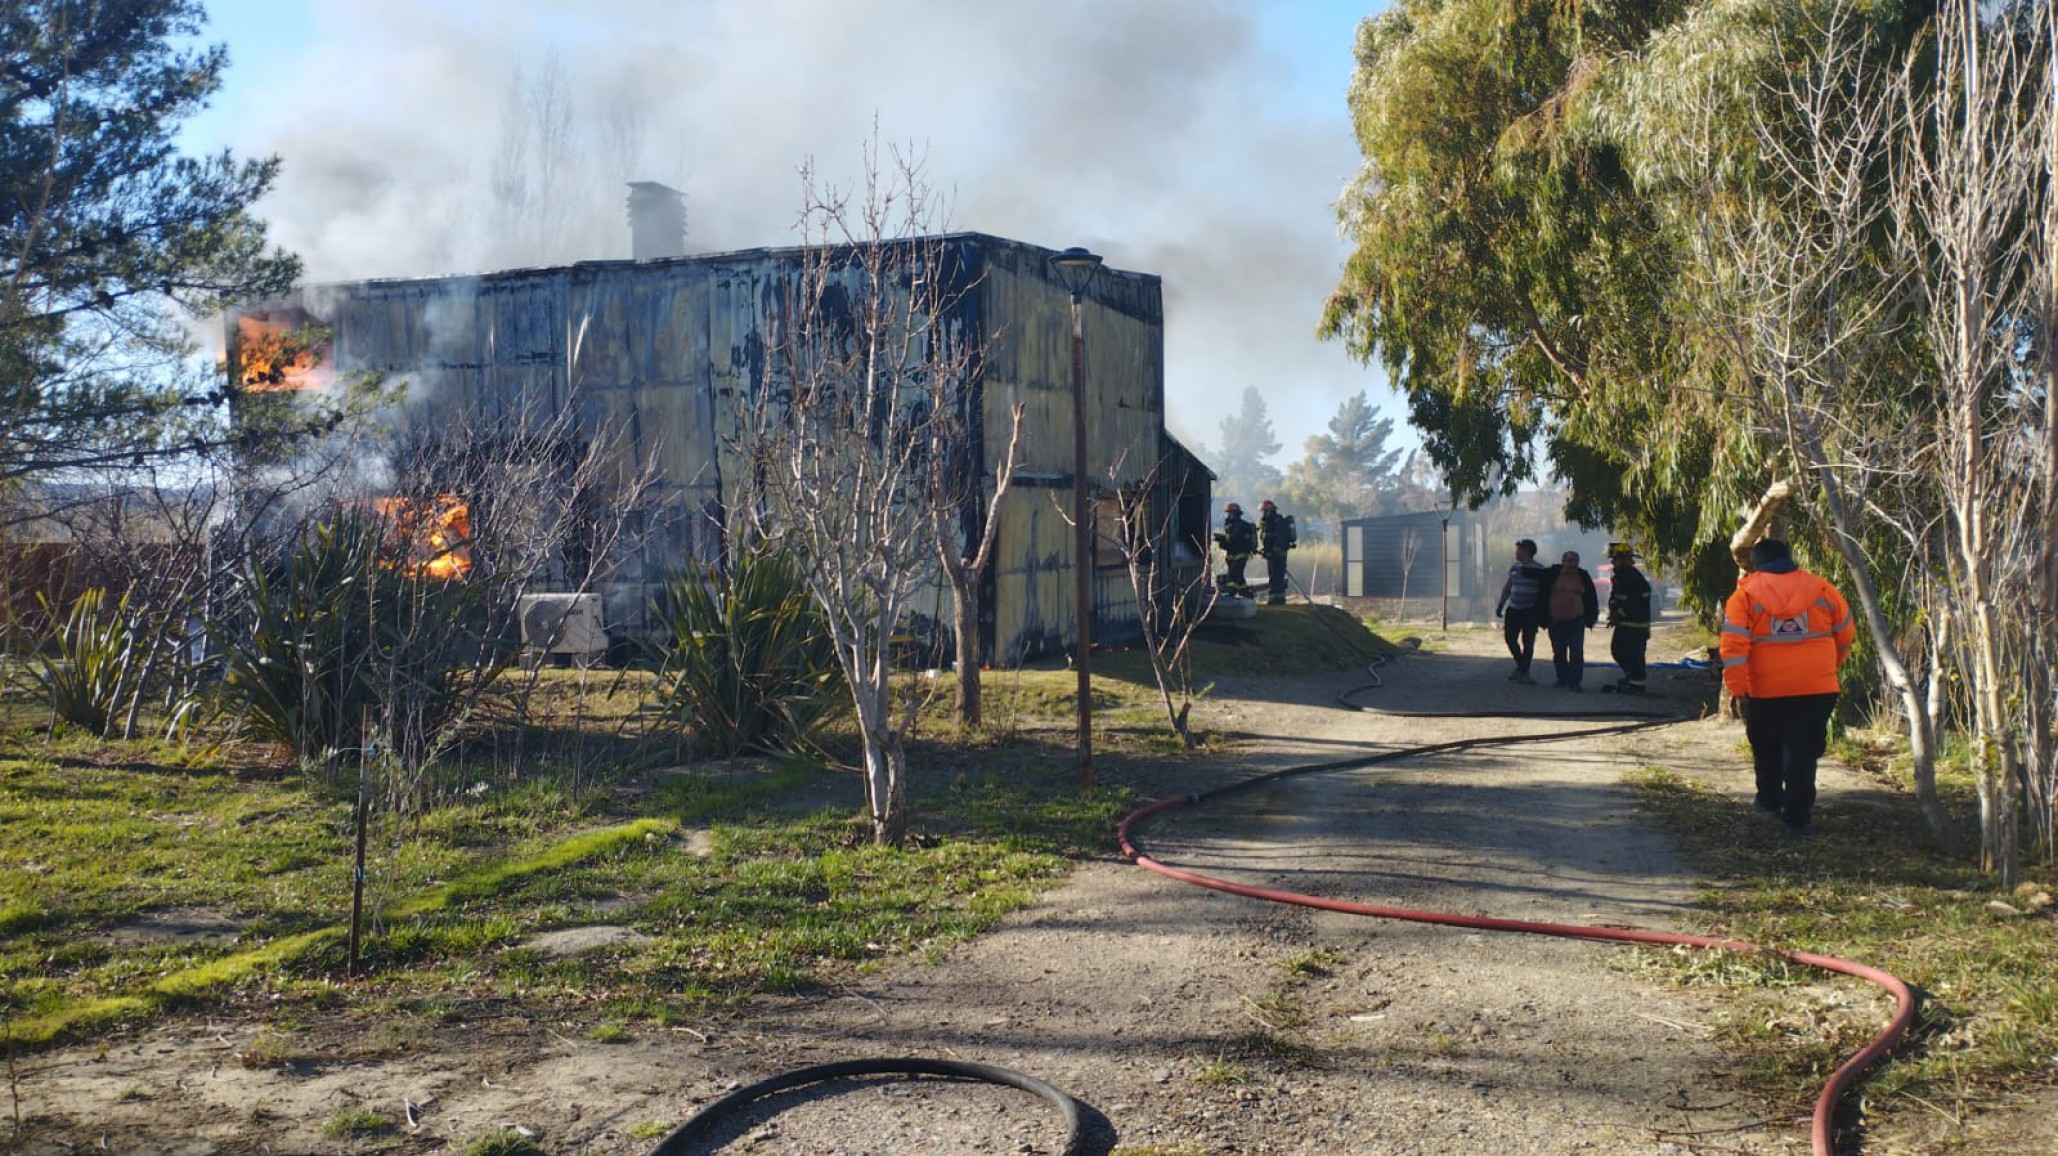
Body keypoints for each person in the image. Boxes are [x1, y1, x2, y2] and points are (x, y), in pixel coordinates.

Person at [1721, 538, 1855, 836]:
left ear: (1755, 564)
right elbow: (1845, 633)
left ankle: (1769, 801)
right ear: (1790, 557)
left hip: (1766, 690)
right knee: (1803, 752)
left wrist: (1737, 687)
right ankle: (1798, 817)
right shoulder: (1822, 588)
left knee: (1766, 746)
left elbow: (1733, 646)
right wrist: (1828, 669)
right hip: (1817, 688)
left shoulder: (1745, 595)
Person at [1494, 538, 1551, 683]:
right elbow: (1508, 587)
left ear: (1526, 551)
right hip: (1513, 609)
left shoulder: (1539, 569)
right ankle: (1522, 667)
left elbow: (1544, 591)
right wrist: (1501, 604)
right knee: (1510, 639)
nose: (1516, 552)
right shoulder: (1514, 567)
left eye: (1519, 550)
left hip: (1530, 611)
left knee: (1528, 642)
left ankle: (1523, 672)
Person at [1543, 550, 1599, 691]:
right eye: (1568, 560)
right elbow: (1538, 580)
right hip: (1556, 620)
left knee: (1576, 653)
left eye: (1574, 561)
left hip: (1576, 621)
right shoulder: (1553, 574)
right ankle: (1562, 678)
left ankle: (1575, 682)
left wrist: (1591, 618)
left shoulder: (1582, 576)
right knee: (1559, 652)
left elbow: (1591, 598)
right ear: (1563, 561)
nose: (1571, 564)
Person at [1602, 543, 1653, 695]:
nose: (1612, 563)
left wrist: (1619, 614)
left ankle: (1637, 684)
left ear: (1624, 559)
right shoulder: (1621, 576)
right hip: (1626, 623)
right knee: (1618, 650)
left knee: (1632, 654)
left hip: (1635, 625)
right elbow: (1617, 598)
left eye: (1615, 559)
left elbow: (1632, 602)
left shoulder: (1630, 577)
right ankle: (1631, 678)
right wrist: (1614, 612)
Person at [1256, 499, 1295, 605]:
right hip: (1279, 554)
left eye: (1264, 511)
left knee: (1275, 576)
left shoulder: (1272, 522)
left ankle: (1274, 600)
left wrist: (1268, 551)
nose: (1263, 514)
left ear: (1269, 510)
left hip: (1275, 555)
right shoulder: (1277, 520)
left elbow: (1269, 539)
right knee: (1278, 576)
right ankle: (1279, 599)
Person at [1212, 502, 1256, 596]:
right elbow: (1229, 542)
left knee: (1233, 575)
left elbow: (1235, 540)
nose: (1228, 515)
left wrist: (1222, 538)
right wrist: (1221, 540)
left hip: (1240, 554)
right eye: (1227, 513)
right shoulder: (1231, 525)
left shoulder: (1240, 525)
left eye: (1230, 513)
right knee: (1239, 577)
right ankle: (1245, 593)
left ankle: (1230, 593)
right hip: (1232, 555)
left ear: (1235, 513)